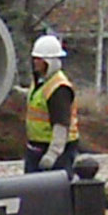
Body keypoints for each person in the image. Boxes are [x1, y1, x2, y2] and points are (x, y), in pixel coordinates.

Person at [26, 35, 80, 174]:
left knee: (56, 190)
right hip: (37, 147)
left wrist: (53, 154)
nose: (35, 62)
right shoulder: (41, 82)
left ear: (49, 62)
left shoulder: (59, 88)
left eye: (39, 59)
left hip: (56, 151)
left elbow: (61, 125)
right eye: (35, 58)